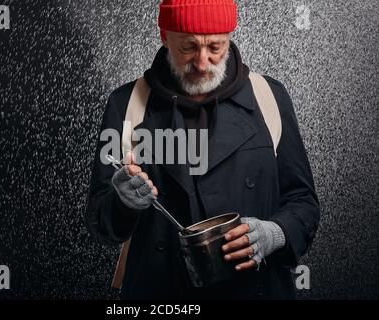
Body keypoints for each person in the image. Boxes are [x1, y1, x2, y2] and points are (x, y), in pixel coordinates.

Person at [85, 0, 320, 299]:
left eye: (215, 47)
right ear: (164, 35)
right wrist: (123, 203)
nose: (202, 63)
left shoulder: (270, 97)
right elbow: (99, 222)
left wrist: (274, 234)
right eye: (188, 47)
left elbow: (303, 201)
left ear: (229, 37)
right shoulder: (125, 104)